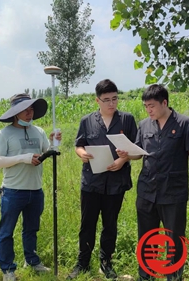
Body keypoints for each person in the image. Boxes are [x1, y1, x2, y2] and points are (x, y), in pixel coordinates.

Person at [118, 84, 189, 281]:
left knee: (174, 239)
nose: (149, 110)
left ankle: (174, 276)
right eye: (146, 106)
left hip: (173, 191)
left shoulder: (185, 124)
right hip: (147, 190)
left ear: (164, 103)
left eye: (152, 106)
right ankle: (145, 275)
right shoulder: (144, 125)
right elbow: (138, 154)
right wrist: (126, 154)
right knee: (147, 237)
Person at [67, 79, 137, 280]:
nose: (111, 104)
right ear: (97, 100)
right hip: (91, 180)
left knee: (110, 224)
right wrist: (81, 153)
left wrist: (123, 160)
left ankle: (106, 263)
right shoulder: (87, 120)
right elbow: (79, 144)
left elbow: (137, 148)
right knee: (87, 223)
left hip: (116, 181)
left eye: (115, 99)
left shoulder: (127, 120)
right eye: (106, 100)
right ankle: (82, 263)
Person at [0, 93, 61, 281]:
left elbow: (47, 152)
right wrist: (23, 158)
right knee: (7, 231)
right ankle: (7, 269)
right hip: (13, 191)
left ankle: (31, 260)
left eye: (31, 109)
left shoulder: (38, 131)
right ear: (15, 113)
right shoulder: (4, 134)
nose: (29, 113)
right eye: (25, 110)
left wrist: (55, 141)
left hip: (35, 190)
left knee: (31, 229)